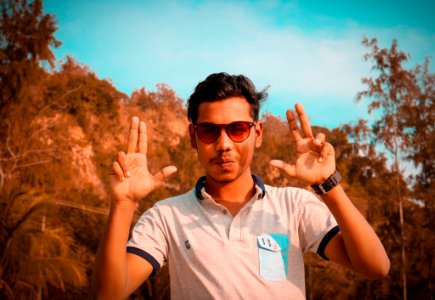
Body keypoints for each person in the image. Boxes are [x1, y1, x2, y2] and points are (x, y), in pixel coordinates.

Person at [93, 73, 390, 299]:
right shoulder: (166, 217)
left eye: (237, 129)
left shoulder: (294, 206)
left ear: (257, 133)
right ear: (193, 137)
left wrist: (329, 184)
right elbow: (108, 294)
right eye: (209, 131)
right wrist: (122, 204)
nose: (223, 145)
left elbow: (376, 267)